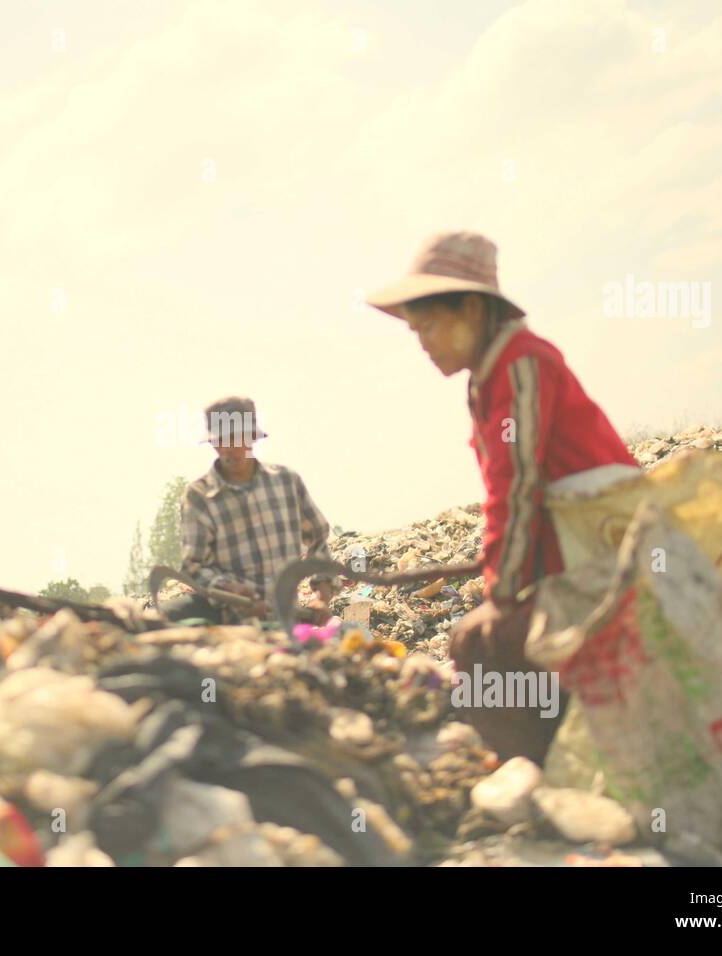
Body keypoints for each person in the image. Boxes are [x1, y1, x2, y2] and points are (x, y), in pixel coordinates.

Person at [367, 231, 639, 763]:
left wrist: (503, 594)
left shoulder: (520, 364)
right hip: (573, 556)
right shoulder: (489, 377)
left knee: (478, 645)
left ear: (471, 307)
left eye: (430, 325)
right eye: (415, 330)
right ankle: (562, 762)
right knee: (496, 645)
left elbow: (517, 490)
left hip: (607, 557)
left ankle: (544, 773)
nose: (423, 342)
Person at [163, 396, 335, 624]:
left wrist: (322, 597)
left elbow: (318, 541)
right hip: (228, 619)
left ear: (252, 438)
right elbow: (194, 567)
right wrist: (232, 591)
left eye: (235, 438)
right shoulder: (200, 496)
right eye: (220, 440)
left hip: (283, 618)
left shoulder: (286, 483)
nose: (228, 448)